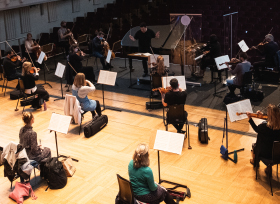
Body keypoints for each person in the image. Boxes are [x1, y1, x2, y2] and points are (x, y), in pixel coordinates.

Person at [247, 104, 280, 175]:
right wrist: (262, 116)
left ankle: (255, 162)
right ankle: (269, 167)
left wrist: (250, 118)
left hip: (265, 154)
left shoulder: (263, 127)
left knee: (256, 145)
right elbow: (273, 121)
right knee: (270, 143)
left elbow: (256, 129)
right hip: (277, 156)